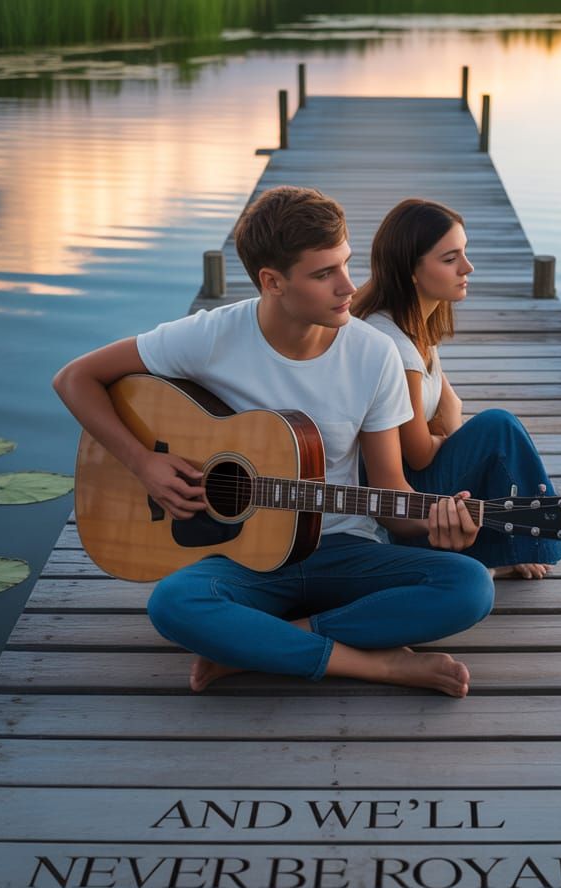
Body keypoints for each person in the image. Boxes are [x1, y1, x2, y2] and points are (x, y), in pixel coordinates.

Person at [53, 186, 495, 698]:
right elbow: (75, 378)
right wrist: (143, 465)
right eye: (323, 273)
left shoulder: (373, 355)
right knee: (173, 603)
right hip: (243, 560)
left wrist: (440, 521)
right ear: (272, 281)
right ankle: (375, 665)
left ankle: (266, 646)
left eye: (346, 263)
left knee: (469, 586)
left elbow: (393, 496)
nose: (348, 287)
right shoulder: (212, 337)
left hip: (344, 549)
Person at [351, 197, 561, 579]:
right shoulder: (396, 347)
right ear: (411, 271)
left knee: (489, 434)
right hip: (393, 502)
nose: (467, 267)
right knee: (497, 428)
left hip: (409, 482)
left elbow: (449, 409)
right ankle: (525, 542)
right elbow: (418, 453)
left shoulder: (415, 324)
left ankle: (510, 546)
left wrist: (445, 430)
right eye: (450, 259)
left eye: (463, 253)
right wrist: (444, 432)